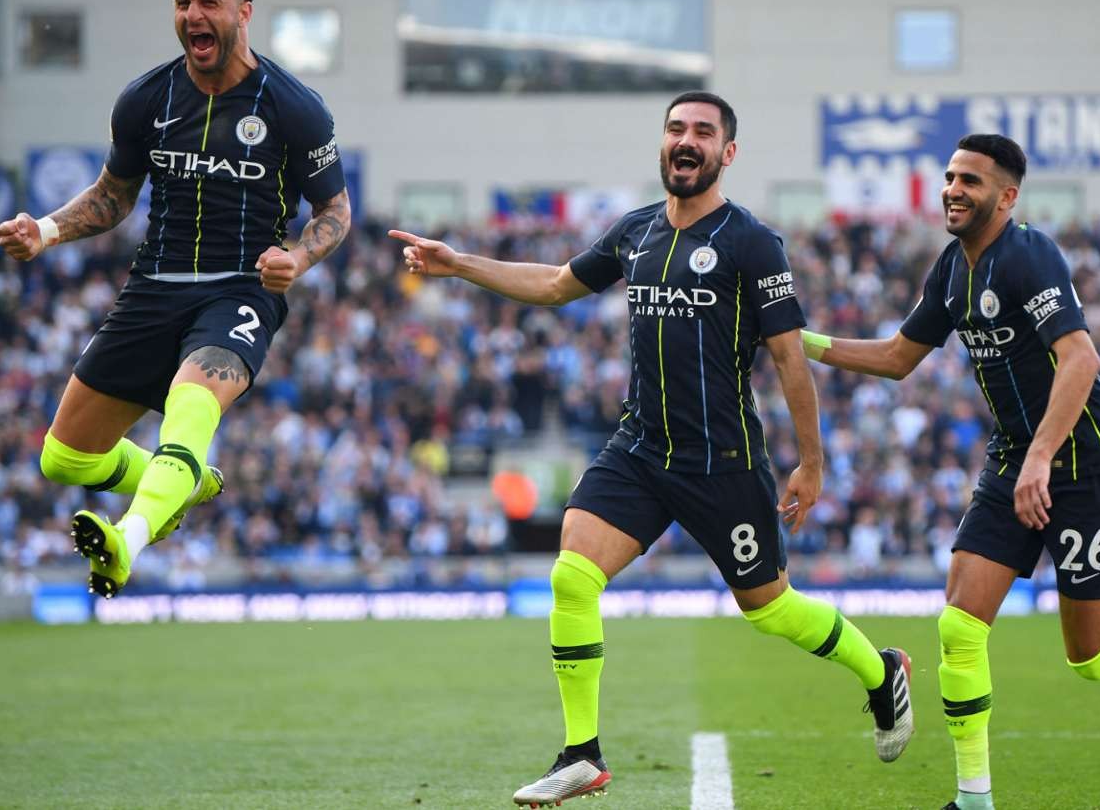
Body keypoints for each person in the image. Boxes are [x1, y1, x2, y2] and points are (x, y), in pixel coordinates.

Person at [391, 92, 914, 807]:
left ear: (727, 153)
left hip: (722, 462)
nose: (686, 141)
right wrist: (458, 264)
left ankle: (882, 673)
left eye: (704, 132)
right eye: (676, 129)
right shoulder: (635, 232)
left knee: (769, 608)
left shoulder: (752, 242)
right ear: (662, 144)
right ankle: (582, 753)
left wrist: (812, 462)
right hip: (640, 449)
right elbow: (552, 286)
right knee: (573, 574)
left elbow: (790, 358)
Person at [798, 134, 1100, 810]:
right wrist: (801, 341)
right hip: (1013, 460)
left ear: (1007, 195)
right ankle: (973, 799)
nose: (954, 189)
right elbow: (900, 355)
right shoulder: (951, 269)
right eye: (950, 177)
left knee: (1093, 657)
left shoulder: (1029, 255)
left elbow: (1081, 359)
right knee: (959, 624)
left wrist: (1044, 458)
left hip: (1080, 463)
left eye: (971, 180)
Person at [0, 0, 350, 598]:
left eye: (208, 2)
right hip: (153, 289)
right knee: (63, 457)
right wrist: (43, 231)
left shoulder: (293, 107)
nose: (192, 15)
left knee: (191, 405)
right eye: (182, 2)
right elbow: (112, 196)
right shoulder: (145, 100)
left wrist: (297, 256)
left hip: (239, 292)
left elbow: (335, 208)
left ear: (244, 11)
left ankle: (127, 540)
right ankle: (187, 481)